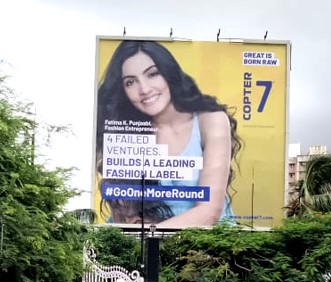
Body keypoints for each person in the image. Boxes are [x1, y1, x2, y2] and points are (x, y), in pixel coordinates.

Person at [96, 40, 241, 227]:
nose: (145, 89)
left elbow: (209, 211)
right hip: (144, 243)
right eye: (130, 82)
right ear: (123, 90)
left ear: (168, 73)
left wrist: (152, 238)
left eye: (152, 74)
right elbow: (123, 215)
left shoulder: (210, 120)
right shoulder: (127, 130)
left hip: (206, 244)